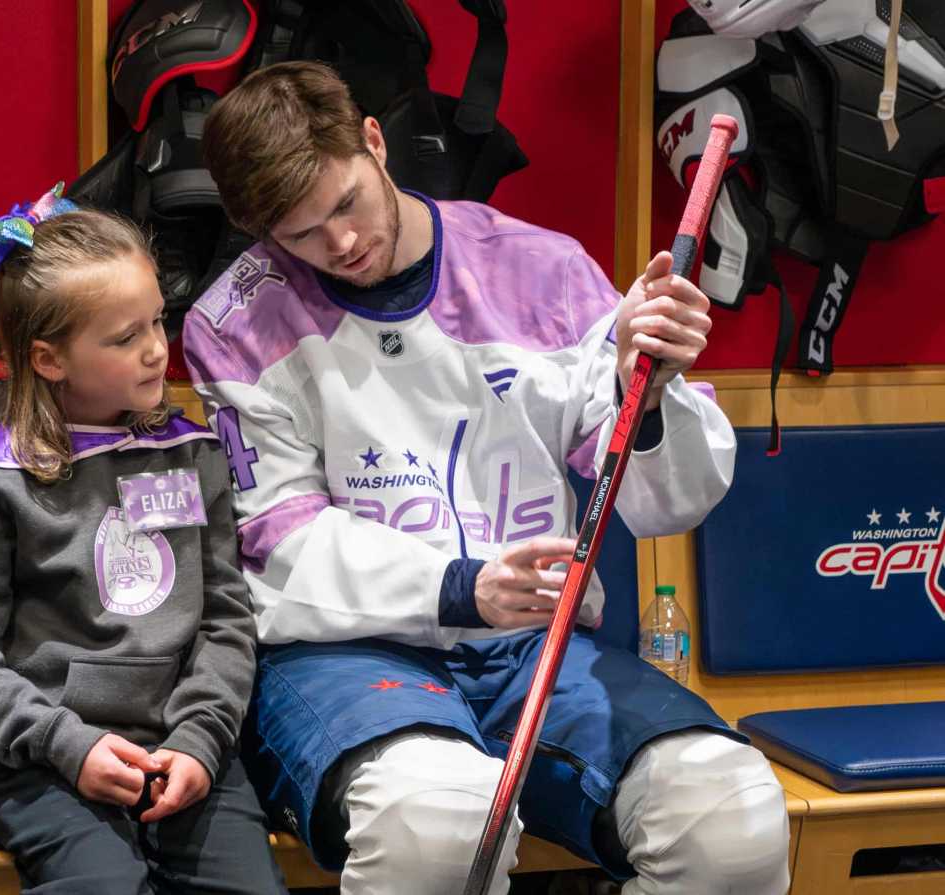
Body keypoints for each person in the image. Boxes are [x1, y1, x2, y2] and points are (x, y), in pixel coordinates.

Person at [182, 62, 791, 895]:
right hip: (342, 656)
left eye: (347, 204)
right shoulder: (232, 322)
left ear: (373, 142)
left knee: (732, 821)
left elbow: (668, 501)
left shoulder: (541, 270)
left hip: (534, 647)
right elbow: (283, 547)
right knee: (437, 824)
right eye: (301, 235)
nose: (342, 244)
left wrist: (643, 394)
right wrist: (462, 586)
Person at [0, 189, 286, 895]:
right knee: (102, 884)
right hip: (35, 751)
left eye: (157, 321)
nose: (155, 349)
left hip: (179, 741)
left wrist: (199, 741)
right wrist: (68, 745)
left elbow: (226, 620)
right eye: (123, 338)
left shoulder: (193, 454)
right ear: (49, 359)